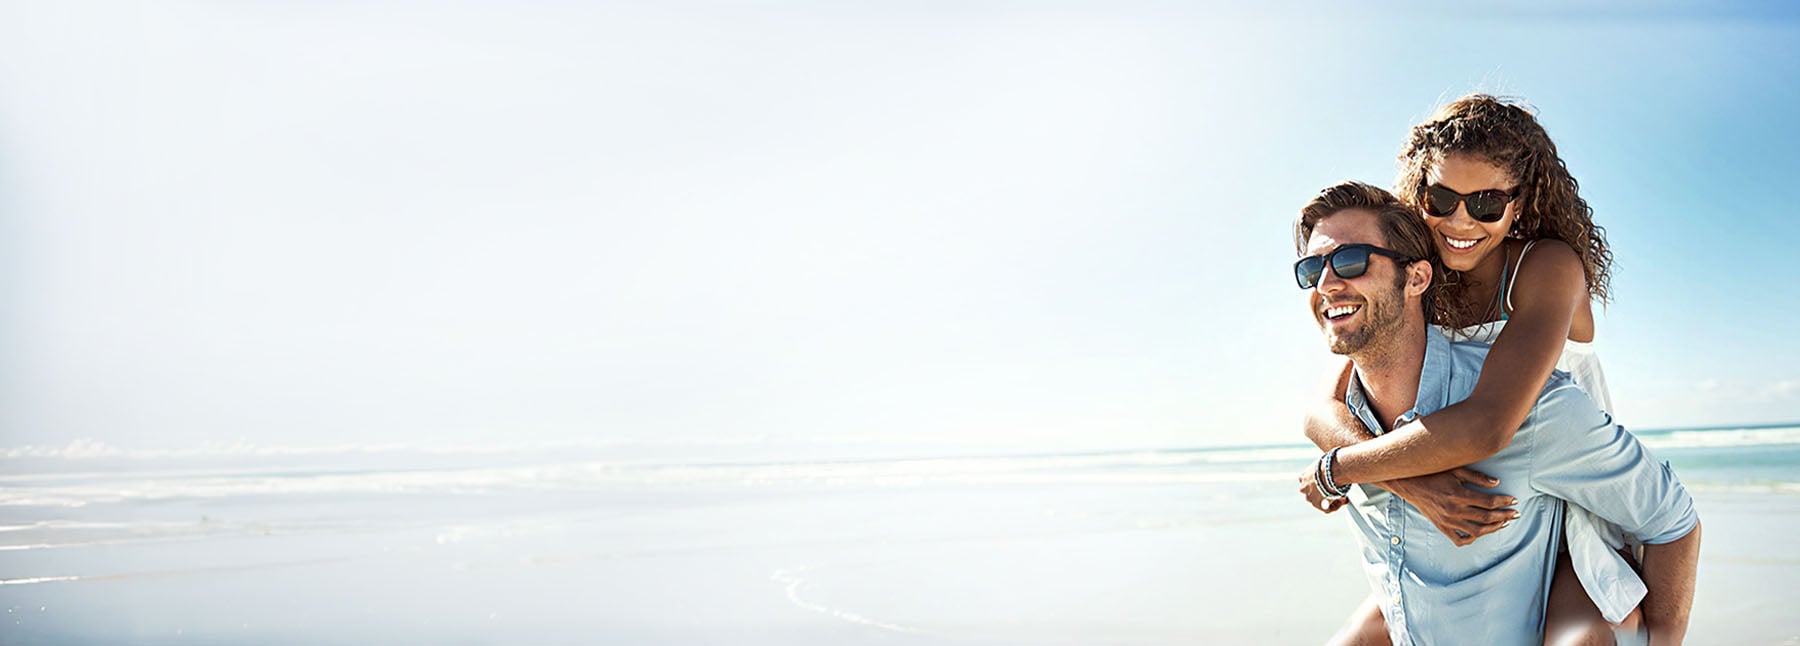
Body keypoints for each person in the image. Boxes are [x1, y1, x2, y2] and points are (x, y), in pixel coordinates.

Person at [1300, 95, 1655, 642]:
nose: (1460, 220)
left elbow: (1490, 423)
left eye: (1486, 203)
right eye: (1441, 198)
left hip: (1563, 494)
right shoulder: (1420, 274)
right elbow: (1320, 410)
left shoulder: (1545, 266)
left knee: (1582, 636)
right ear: (1419, 195)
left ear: (1520, 200)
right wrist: (1414, 487)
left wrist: (1340, 470)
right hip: (1474, 489)